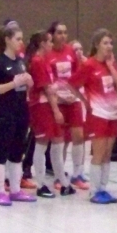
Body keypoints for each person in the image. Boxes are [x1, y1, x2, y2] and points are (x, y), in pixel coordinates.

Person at [70, 29, 117, 204]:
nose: (109, 46)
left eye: (111, 43)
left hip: (113, 114)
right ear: (96, 45)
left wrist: (111, 66)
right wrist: (84, 100)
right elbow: (72, 84)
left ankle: (103, 188)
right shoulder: (89, 65)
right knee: (99, 154)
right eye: (105, 43)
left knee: (108, 154)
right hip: (98, 114)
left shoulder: (111, 63)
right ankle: (94, 191)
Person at [0, 24, 34, 206]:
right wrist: (13, 83)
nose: (21, 42)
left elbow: (25, 86)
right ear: (7, 40)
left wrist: (29, 81)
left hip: (21, 111)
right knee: (2, 151)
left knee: (17, 151)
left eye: (22, 39)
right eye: (18, 39)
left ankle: (15, 189)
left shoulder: (20, 62)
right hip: (3, 113)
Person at [28, 30, 73, 199]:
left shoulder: (44, 61)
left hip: (48, 104)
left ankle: (63, 182)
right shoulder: (37, 61)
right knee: (42, 143)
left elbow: (51, 87)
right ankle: (40, 184)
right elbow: (46, 89)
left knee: (57, 141)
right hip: (41, 107)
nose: (52, 44)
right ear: (42, 44)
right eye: (49, 41)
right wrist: (56, 110)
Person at [46, 22, 89, 191]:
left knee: (79, 136)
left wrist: (77, 93)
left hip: (73, 100)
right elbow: (47, 80)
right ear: (52, 35)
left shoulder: (71, 51)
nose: (63, 36)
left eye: (65, 32)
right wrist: (56, 96)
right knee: (59, 140)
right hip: (57, 101)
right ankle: (58, 176)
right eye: (59, 33)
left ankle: (77, 174)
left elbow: (77, 74)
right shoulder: (48, 54)